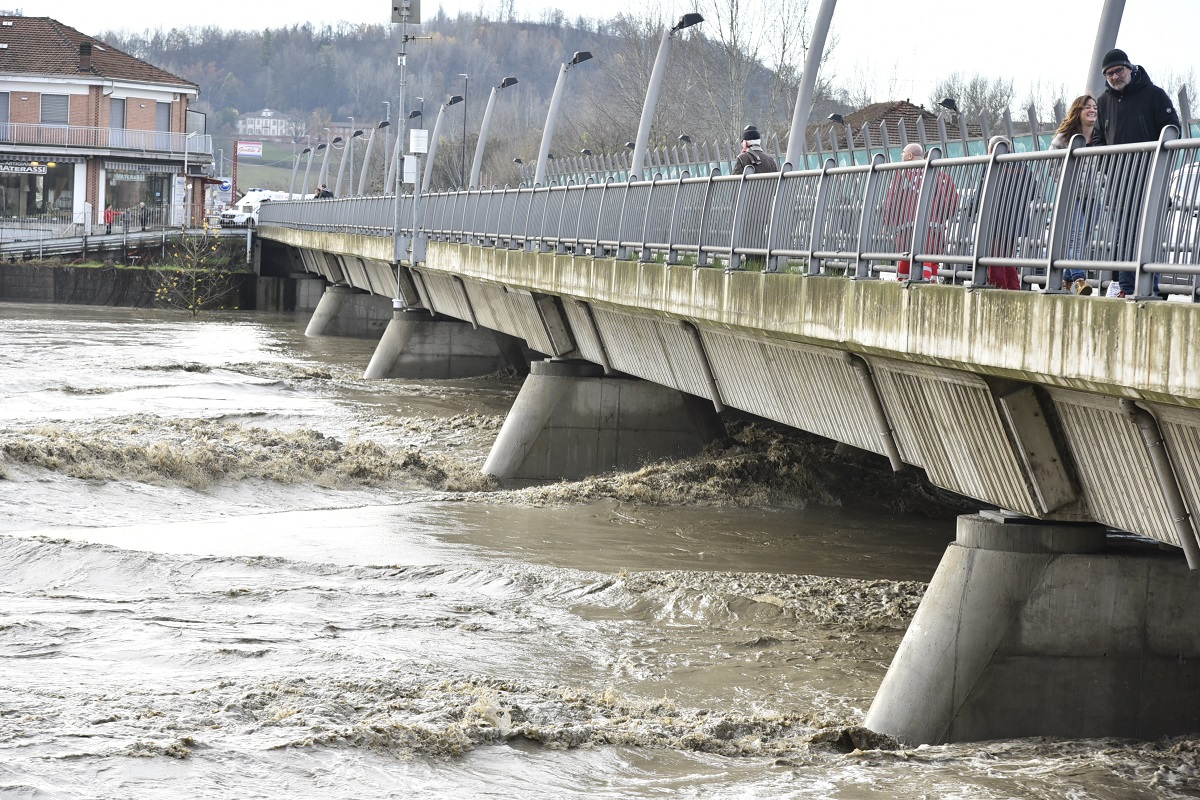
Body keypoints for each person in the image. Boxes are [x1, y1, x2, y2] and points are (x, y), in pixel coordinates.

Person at [1092, 48, 1181, 297]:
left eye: (1118, 70)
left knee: (1148, 234)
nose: (1115, 76)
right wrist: (1108, 165)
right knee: (1125, 236)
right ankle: (1128, 288)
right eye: (1109, 74)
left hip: (1151, 179)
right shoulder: (1104, 102)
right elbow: (1098, 138)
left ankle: (1151, 289)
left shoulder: (1154, 95)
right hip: (1119, 181)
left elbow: (1172, 131)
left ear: (1129, 68)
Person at [882, 143, 957, 281]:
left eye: (903, 153)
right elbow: (952, 205)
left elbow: (891, 201)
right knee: (931, 259)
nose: (901, 156)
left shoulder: (902, 174)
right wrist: (938, 219)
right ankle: (931, 288)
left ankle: (907, 291)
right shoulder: (941, 176)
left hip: (907, 229)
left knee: (907, 257)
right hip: (935, 229)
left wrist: (888, 221)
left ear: (910, 156)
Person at [1049, 95, 1099, 294]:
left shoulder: (1099, 136)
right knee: (1075, 237)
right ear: (1078, 111)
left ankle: (1066, 278)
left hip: (1093, 195)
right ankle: (1080, 278)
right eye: (1087, 107)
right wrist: (1069, 184)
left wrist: (1100, 182)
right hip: (1071, 195)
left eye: (1094, 107)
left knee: (1085, 238)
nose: (1092, 110)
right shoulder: (1064, 137)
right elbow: (1052, 166)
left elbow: (1106, 166)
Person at [984, 136, 1033, 290]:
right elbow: (1033, 190)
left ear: (992, 149)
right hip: (1015, 221)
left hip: (995, 220)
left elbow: (982, 193)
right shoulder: (1022, 166)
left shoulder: (992, 165)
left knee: (994, 257)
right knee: (1007, 257)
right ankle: (1014, 289)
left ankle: (999, 289)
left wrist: (972, 209)